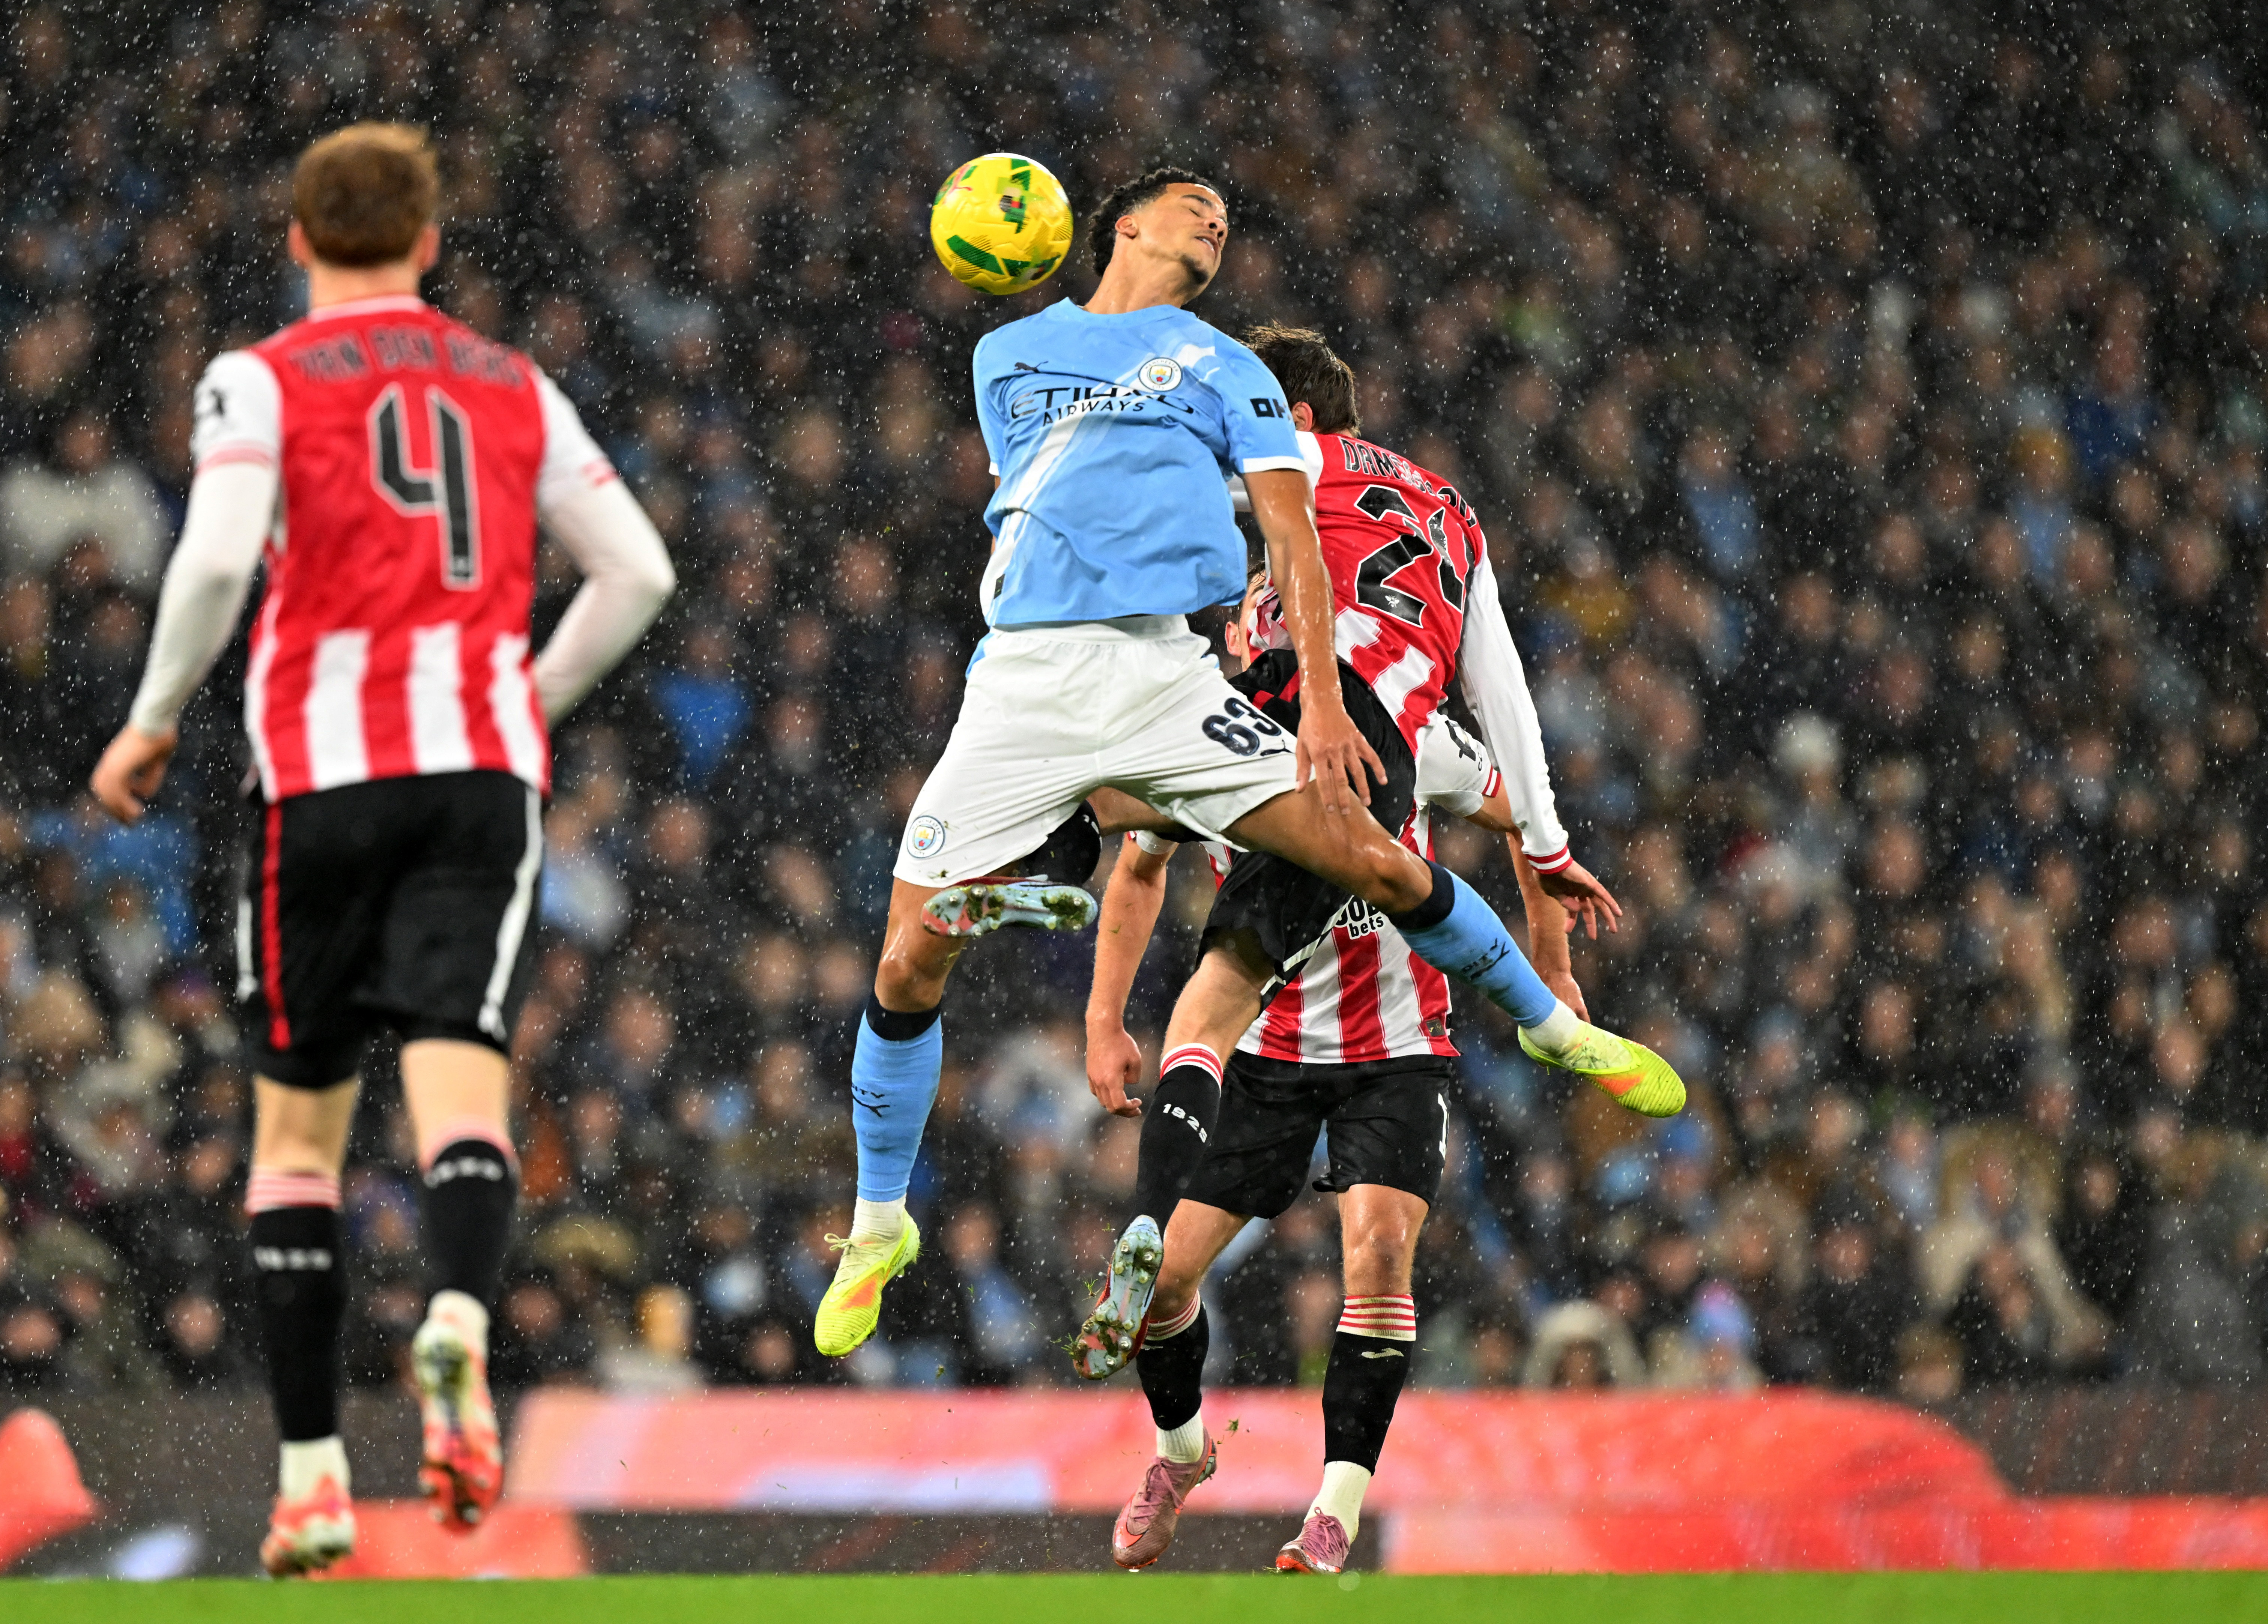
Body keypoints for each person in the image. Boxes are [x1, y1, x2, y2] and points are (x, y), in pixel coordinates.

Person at [817, 174, 1680, 1364]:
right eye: (1191, 202)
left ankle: (1549, 1026)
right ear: (1122, 224)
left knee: (1372, 857)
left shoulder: (1235, 372)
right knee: (907, 958)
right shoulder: (1005, 354)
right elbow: (1063, 493)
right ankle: (879, 1225)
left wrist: (1322, 704)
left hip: (1168, 675)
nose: (1217, 216)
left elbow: (1294, 538)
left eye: (1227, 211)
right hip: (1023, 677)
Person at [87, 124, 675, 1576]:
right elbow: (639, 572)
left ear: (298, 240)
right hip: (479, 777)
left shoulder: (260, 376)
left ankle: (310, 1483)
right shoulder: (511, 380)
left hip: (322, 777)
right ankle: (460, 1316)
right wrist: (525, 698)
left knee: (298, 1137)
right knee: (460, 1087)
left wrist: (151, 719)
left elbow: (215, 558)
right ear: (428, 244)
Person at [1073, 329, 1616, 1573]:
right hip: (1273, 1049)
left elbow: (1501, 795)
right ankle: (1182, 1452)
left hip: (1393, 1039)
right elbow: (1143, 865)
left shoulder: (1372, 702)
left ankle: (1336, 1508)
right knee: (1168, 1290)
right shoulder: (1245, 691)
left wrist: (1551, 953)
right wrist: (1102, 1017)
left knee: (1377, 1252)